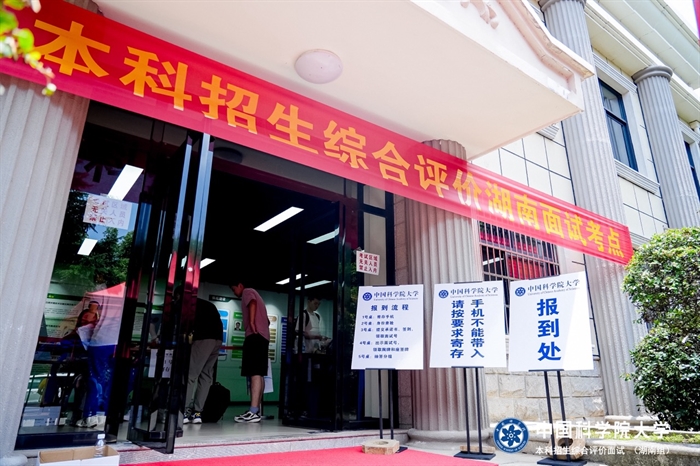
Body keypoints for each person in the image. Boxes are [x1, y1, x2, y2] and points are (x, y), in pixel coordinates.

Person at [230, 279, 270, 423]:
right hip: (263, 337)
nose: (234, 293)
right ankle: (255, 410)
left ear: (240, 285)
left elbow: (251, 302)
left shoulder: (248, 292)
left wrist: (252, 322)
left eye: (234, 289)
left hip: (254, 336)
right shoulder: (259, 296)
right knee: (259, 373)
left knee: (254, 372)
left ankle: (253, 411)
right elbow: (267, 321)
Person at [183, 298, 223, 424]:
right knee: (206, 376)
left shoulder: (189, 304)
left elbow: (186, 325)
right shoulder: (208, 305)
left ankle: (183, 411)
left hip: (203, 339)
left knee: (190, 375)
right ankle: (197, 413)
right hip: (217, 340)